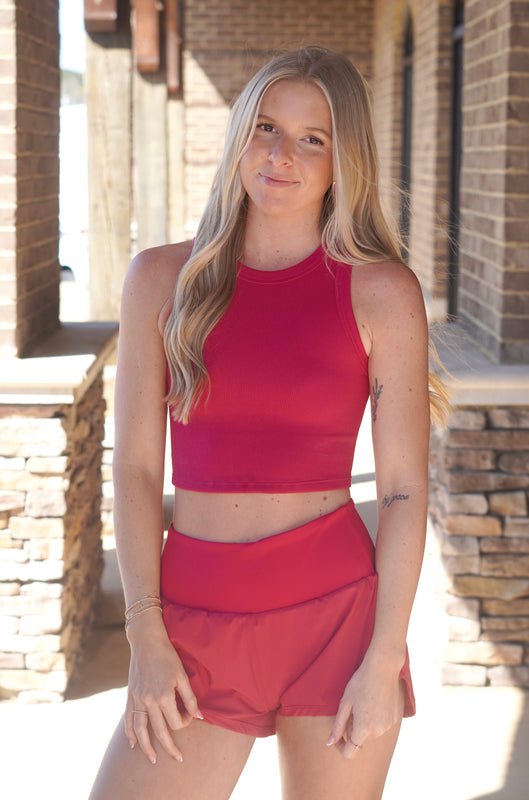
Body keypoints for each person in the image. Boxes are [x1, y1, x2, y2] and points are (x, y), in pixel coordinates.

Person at [90, 46, 446, 800]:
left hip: (337, 625)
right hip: (192, 623)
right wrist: (144, 635)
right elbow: (137, 470)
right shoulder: (160, 279)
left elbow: (404, 494)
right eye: (265, 128)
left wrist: (384, 658)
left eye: (311, 138)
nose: (281, 154)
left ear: (342, 158)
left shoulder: (380, 292)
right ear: (238, 139)